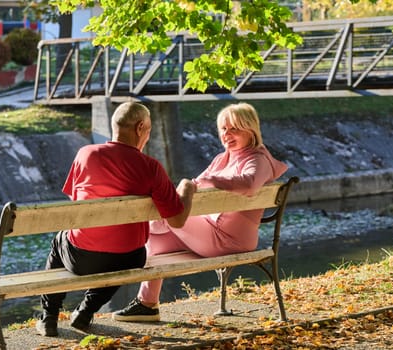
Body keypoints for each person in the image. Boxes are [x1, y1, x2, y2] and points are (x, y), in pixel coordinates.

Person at [111, 102, 288, 322]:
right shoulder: (223, 158)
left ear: (250, 130)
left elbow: (250, 183)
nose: (227, 134)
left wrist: (209, 181)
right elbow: (196, 182)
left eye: (235, 129)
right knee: (154, 241)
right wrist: (200, 182)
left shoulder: (257, 158)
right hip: (210, 234)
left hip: (230, 240)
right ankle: (147, 304)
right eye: (224, 129)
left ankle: (127, 235)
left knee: (169, 215)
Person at [35, 102, 197, 336]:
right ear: (141, 127)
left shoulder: (86, 154)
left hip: (82, 260)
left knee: (60, 240)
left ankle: (49, 317)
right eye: (149, 131)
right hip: (130, 258)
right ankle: (85, 311)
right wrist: (187, 189)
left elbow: (76, 202)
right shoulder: (151, 167)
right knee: (121, 253)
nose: (148, 136)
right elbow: (177, 221)